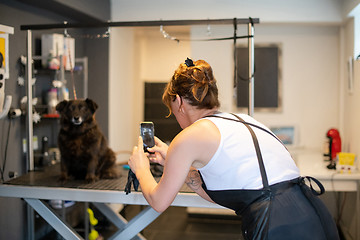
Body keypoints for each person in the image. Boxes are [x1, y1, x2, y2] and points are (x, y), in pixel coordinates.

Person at [128, 58, 339, 240]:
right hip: (313, 214)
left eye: (172, 110)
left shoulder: (189, 136)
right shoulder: (243, 120)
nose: (175, 116)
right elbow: (233, 190)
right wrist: (173, 164)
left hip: (277, 225)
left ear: (180, 102)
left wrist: (141, 168)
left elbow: (158, 201)